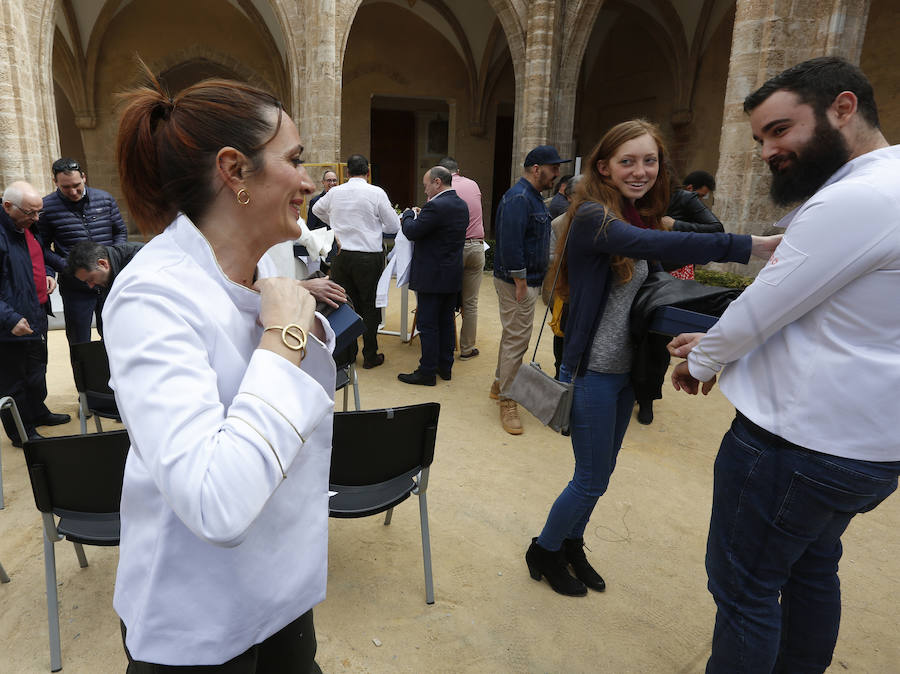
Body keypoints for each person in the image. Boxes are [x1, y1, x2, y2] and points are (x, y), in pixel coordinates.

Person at [668, 56, 900, 673]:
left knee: (744, 591)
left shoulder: (855, 199)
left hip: (796, 445)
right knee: (811, 570)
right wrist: (717, 342)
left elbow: (766, 304)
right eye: (760, 138)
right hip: (866, 448)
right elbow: (837, 315)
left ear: (842, 108)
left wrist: (704, 358)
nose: (768, 150)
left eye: (780, 129)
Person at [107, 66, 335, 672]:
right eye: (295, 159)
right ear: (235, 171)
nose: (309, 180)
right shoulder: (152, 296)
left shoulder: (264, 265)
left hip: (279, 594)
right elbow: (215, 502)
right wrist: (285, 339)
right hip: (198, 617)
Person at [524, 119, 779, 597]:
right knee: (590, 478)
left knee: (601, 474)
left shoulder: (637, 213)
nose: (640, 170)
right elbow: (663, 245)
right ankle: (545, 547)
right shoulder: (594, 217)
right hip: (593, 372)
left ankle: (571, 544)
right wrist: (751, 246)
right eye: (628, 161)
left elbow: (679, 243)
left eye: (649, 160)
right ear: (604, 166)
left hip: (626, 370)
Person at [492, 145, 570, 435]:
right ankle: (507, 399)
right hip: (518, 284)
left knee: (513, 335)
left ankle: (500, 384)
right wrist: (521, 282)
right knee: (517, 340)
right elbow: (510, 243)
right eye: (553, 168)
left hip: (524, 281)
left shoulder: (531, 197)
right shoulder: (520, 198)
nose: (557, 174)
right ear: (536, 168)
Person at [312, 154, 399, 369]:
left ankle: (343, 356)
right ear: (368, 172)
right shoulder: (376, 192)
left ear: (347, 173)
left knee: (342, 303)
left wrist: (336, 223)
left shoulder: (336, 192)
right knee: (370, 305)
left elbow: (316, 209)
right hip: (368, 256)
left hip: (342, 255)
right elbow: (394, 225)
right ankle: (370, 355)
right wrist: (375, 227)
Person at [0, 182, 70, 446]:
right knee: (13, 380)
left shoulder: (27, 226)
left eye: (38, 212)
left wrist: (67, 269)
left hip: (36, 312)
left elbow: (40, 255)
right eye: (31, 212)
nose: (36, 218)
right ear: (8, 207)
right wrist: (10, 319)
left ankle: (38, 413)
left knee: (36, 371)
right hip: (10, 323)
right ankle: (21, 432)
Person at [39, 158, 128, 344]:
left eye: (76, 185)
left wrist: (113, 256)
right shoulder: (46, 208)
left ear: (84, 178)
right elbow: (42, 246)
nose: (73, 191)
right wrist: (66, 266)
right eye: (66, 187)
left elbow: (119, 230)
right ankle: (84, 374)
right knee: (79, 342)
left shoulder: (105, 199)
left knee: (117, 337)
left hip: (108, 282)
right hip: (75, 286)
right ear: (55, 182)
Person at [397, 166, 468, 386]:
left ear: (437, 182)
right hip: (451, 274)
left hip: (431, 276)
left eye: (426, 184)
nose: (425, 188)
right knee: (446, 322)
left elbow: (412, 231)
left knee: (427, 325)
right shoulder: (461, 204)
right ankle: (444, 367)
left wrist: (408, 214)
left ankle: (427, 371)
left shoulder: (436, 206)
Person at [438, 156, 484, 360]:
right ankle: (466, 349)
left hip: (453, 248)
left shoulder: (442, 190)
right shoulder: (473, 184)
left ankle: (445, 347)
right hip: (476, 246)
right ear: (459, 169)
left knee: (446, 298)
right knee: (471, 302)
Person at [65, 239, 143, 300]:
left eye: (91, 279)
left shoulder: (139, 261)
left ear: (103, 264)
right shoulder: (106, 276)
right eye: (86, 282)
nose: (91, 286)